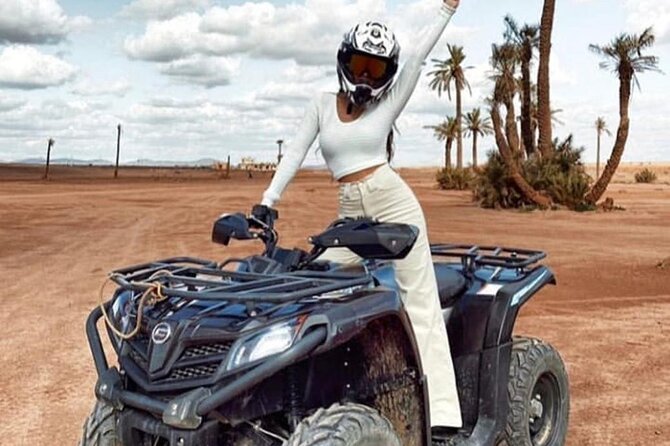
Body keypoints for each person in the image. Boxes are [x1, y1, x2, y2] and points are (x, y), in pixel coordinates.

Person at [259, 0, 462, 439]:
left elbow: (419, 57)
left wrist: (446, 9)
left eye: (375, 69)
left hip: (393, 204)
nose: (366, 76)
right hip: (350, 212)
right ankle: (326, 391)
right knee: (323, 285)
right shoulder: (320, 104)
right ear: (344, 61)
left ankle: (442, 415)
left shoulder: (387, 104)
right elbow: (294, 151)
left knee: (419, 299)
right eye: (359, 64)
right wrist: (268, 200)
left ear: (386, 73)